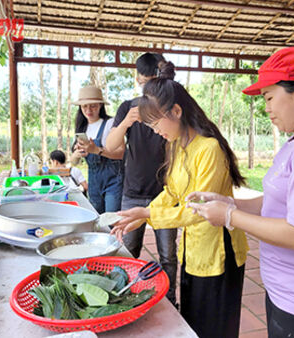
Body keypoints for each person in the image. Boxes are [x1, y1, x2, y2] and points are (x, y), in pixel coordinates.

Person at [187, 47, 294, 337]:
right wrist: (231, 203)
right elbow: (276, 203)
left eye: (269, 97)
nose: (266, 107)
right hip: (290, 296)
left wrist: (230, 217)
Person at [110, 62, 249, 338]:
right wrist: (144, 211)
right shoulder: (177, 146)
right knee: (194, 322)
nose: (155, 131)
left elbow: (201, 210)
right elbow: (173, 193)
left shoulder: (208, 149)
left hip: (218, 254)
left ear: (176, 111)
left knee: (215, 328)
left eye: (156, 123)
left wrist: (149, 216)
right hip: (193, 251)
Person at [106, 53, 178, 305]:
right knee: (128, 250)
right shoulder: (128, 107)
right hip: (133, 191)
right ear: (137, 79)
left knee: (168, 254)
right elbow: (111, 146)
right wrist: (126, 122)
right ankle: (124, 298)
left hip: (165, 193)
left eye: (154, 82)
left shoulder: (169, 106)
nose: (149, 89)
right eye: (145, 82)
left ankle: (170, 300)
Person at [72, 86, 124, 213]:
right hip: (93, 181)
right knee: (96, 219)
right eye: (84, 106)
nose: (88, 110)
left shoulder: (110, 123)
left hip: (113, 180)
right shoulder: (82, 127)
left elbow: (121, 153)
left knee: (112, 221)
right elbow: (74, 163)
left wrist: (97, 150)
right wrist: (77, 155)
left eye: (93, 106)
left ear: (100, 105)